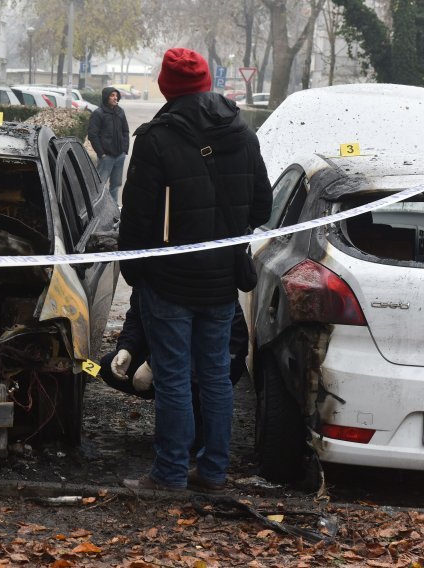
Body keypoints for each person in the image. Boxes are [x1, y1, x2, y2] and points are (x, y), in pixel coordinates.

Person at [117, 48, 272, 493]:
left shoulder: (154, 138)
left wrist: (136, 273)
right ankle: (213, 471)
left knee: (173, 379)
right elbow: (262, 205)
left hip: (168, 282)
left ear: (166, 87)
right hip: (222, 281)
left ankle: (168, 474)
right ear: (207, 83)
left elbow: (137, 218)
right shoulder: (242, 133)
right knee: (216, 377)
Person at [99, 288, 250, 452]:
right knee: (110, 365)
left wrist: (152, 365)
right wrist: (126, 349)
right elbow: (137, 314)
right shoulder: (147, 274)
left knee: (194, 439)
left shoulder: (181, 276)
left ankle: (187, 444)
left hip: (216, 359)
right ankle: (181, 429)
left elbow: (185, 332)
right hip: (177, 352)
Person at [88, 86, 129, 204]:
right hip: (106, 157)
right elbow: (92, 135)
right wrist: (101, 153)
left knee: (115, 185)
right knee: (99, 185)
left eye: (116, 95)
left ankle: (114, 209)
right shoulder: (98, 113)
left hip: (120, 156)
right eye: (112, 95)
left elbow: (125, 131)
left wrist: (124, 150)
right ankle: (96, 209)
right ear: (106, 97)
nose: (115, 97)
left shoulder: (120, 111)